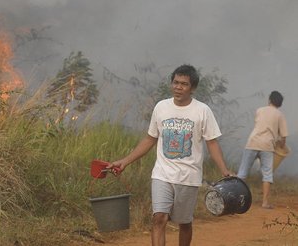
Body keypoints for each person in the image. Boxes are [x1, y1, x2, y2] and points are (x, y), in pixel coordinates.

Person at [107, 64, 233, 246]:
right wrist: (125, 162)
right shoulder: (161, 107)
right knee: (159, 218)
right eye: (175, 82)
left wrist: (224, 170)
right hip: (162, 174)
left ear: (193, 88)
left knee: (184, 222)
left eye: (184, 84)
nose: (178, 87)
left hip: (188, 177)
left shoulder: (202, 111)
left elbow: (212, 143)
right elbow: (150, 139)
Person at [237, 91, 288, 209]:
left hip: (252, 142)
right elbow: (283, 136)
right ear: (280, 103)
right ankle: (265, 202)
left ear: (269, 100)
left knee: (242, 173)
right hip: (267, 146)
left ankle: (238, 201)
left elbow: (260, 125)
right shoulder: (279, 115)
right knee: (267, 175)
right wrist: (281, 144)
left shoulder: (260, 110)